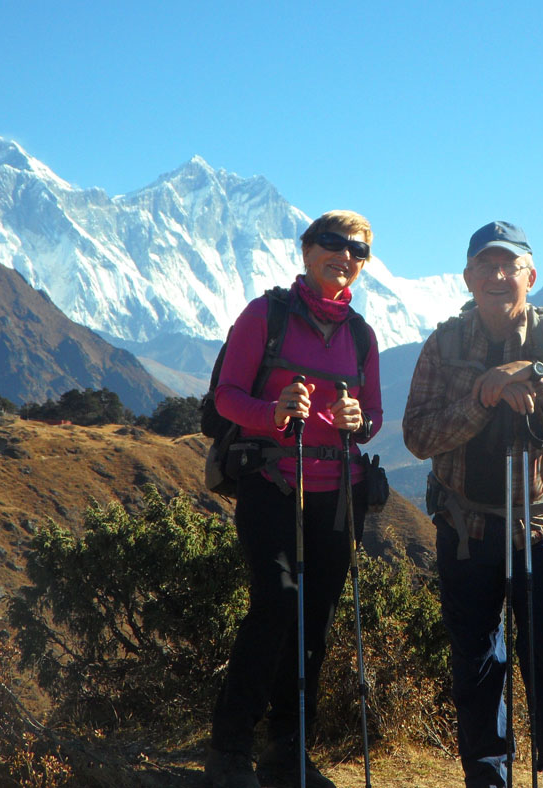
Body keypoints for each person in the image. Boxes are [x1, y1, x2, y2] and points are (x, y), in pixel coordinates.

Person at [403, 221, 543, 788]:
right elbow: (417, 435)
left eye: (508, 266)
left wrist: (534, 377)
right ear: (467, 277)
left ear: (530, 276)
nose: (496, 275)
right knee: (476, 660)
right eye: (485, 266)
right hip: (467, 526)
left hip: (539, 525)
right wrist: (485, 394)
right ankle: (487, 776)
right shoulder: (442, 345)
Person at [205, 211, 383, 788]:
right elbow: (225, 396)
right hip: (272, 483)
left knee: (315, 621)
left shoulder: (361, 335)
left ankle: (288, 752)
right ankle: (230, 749)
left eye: (358, 250)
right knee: (277, 602)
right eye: (333, 244)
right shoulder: (266, 316)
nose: (346, 256)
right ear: (306, 251)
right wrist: (274, 413)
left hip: (339, 496)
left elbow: (373, 415)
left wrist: (362, 420)